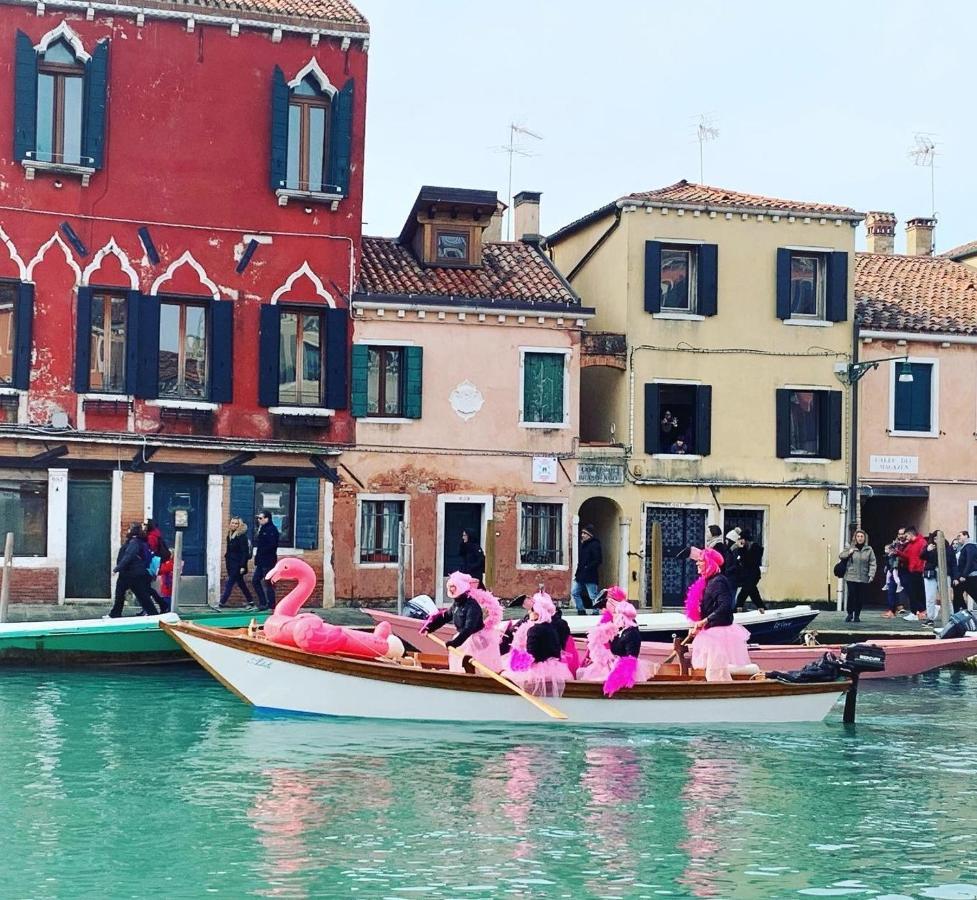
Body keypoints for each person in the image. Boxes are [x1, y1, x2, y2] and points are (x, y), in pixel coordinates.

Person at [685, 547, 751, 681]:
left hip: (718, 633)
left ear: (709, 563)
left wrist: (705, 621)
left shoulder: (718, 581)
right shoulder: (709, 582)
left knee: (715, 671)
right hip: (711, 631)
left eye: (700, 561)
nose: (697, 563)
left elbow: (725, 606)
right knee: (715, 670)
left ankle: (719, 694)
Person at [421, 571, 504, 673]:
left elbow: (469, 628)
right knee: (458, 662)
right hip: (463, 638)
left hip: (477, 640)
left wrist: (455, 643)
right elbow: (445, 617)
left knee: (480, 666)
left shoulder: (472, 606)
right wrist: (429, 628)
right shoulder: (456, 604)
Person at [576, 585, 651, 695]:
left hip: (623, 672)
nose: (603, 611)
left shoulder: (631, 633)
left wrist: (613, 681)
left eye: (604, 607)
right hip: (610, 667)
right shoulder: (615, 630)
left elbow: (630, 661)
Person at [500, 590, 573, 697]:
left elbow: (531, 655)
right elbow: (557, 650)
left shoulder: (534, 630)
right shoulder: (551, 627)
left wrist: (518, 666)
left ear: (536, 612)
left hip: (538, 670)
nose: (529, 613)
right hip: (555, 668)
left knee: (507, 675)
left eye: (531, 611)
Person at [107, 523, 159, 618]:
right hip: (129, 573)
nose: (128, 531)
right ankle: (115, 613)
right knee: (124, 594)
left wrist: (117, 568)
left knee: (141, 595)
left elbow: (128, 556)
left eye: (129, 529)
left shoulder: (134, 542)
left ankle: (154, 614)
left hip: (131, 573)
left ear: (133, 530)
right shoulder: (135, 541)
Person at [216, 516, 255, 610]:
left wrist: (242, 566)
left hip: (238, 564)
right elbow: (229, 551)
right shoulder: (229, 535)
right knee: (241, 583)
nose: (233, 525)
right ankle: (251, 601)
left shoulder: (241, 536)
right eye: (232, 523)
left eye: (236, 523)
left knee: (230, 583)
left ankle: (222, 602)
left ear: (239, 525)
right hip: (230, 563)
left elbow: (244, 552)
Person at [838, 529, 877, 623]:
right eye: (858, 536)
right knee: (852, 595)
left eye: (861, 536)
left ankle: (857, 615)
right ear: (855, 538)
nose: (860, 538)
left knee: (860, 597)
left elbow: (872, 562)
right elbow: (841, 555)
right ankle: (850, 613)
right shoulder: (850, 547)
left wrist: (871, 575)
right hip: (851, 576)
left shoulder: (869, 549)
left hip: (863, 576)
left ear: (864, 538)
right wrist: (849, 553)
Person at [922, 531, 957, 623]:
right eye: (934, 538)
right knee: (930, 597)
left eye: (938, 538)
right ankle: (930, 618)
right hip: (931, 573)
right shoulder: (930, 547)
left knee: (946, 597)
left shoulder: (948, 548)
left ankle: (951, 617)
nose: (936, 540)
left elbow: (953, 563)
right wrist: (927, 550)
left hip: (945, 573)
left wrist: (955, 577)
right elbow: (921, 556)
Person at [895, 526, 928, 621]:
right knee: (913, 593)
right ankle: (917, 612)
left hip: (919, 571)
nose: (905, 538)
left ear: (910, 534)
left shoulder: (922, 542)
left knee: (917, 593)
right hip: (912, 571)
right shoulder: (910, 544)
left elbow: (924, 557)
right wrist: (897, 552)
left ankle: (918, 612)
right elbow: (907, 557)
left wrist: (922, 568)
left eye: (906, 536)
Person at [731, 529, 765, 613]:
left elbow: (751, 562)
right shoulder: (743, 549)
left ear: (745, 539)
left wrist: (742, 553)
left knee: (743, 595)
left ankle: (738, 609)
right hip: (746, 576)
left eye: (741, 539)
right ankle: (762, 608)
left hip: (754, 575)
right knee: (753, 593)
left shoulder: (757, 548)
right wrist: (739, 549)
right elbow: (741, 560)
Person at [252, 509, 280, 611]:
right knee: (255, 581)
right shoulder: (262, 529)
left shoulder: (272, 530)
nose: (259, 520)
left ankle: (271, 605)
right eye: (258, 518)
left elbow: (272, 545)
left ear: (267, 519)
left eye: (260, 518)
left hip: (268, 561)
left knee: (268, 583)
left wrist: (263, 553)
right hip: (261, 561)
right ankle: (263, 602)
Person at [572, 524, 602, 615]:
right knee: (575, 592)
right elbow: (581, 561)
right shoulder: (584, 545)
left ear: (589, 535)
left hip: (590, 575)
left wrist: (587, 567)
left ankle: (596, 611)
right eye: (582, 533)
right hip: (581, 575)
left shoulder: (595, 545)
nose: (582, 535)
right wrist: (578, 573)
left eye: (584, 533)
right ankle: (580, 609)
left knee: (593, 595)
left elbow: (598, 560)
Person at [953, 531, 977, 612]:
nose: (958, 537)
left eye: (960, 535)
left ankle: (961, 611)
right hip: (966, 577)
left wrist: (963, 575)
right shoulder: (964, 547)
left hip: (971, 577)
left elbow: (969, 561)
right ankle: (960, 612)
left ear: (966, 536)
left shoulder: (970, 546)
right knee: (957, 593)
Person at [881, 544, 907, 618]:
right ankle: (892, 610)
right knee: (891, 591)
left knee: (893, 590)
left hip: (895, 569)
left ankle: (894, 609)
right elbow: (888, 561)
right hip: (891, 569)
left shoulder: (894, 554)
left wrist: (894, 567)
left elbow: (896, 561)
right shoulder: (889, 555)